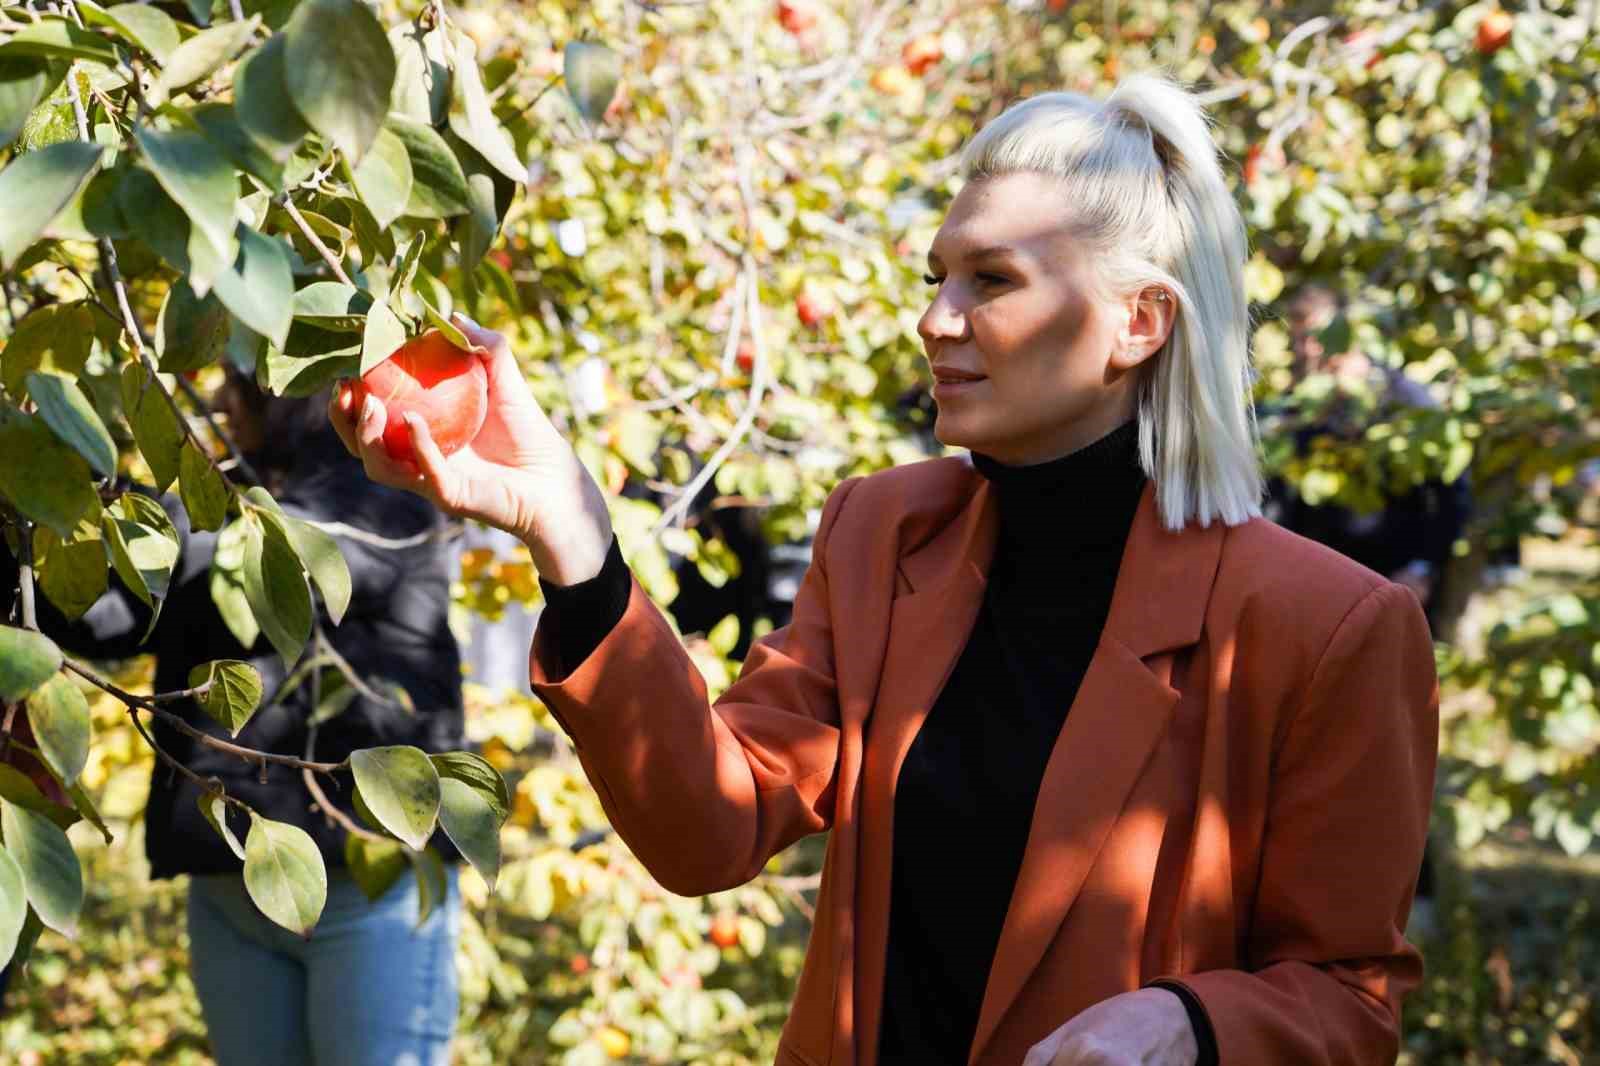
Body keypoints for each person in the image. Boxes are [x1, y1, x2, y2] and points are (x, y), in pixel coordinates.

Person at [333, 74, 1438, 1066]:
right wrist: (565, 533)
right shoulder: (882, 532)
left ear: (1138, 323)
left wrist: (1189, 1024)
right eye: (936, 275)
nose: (931, 319)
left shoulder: (1321, 625)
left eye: (988, 281)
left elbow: (1348, 996)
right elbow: (710, 827)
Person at [1, 368, 466, 1064]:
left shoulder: (385, 497)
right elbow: (104, 615)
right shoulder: (216, 504)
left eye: (238, 384)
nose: (218, 402)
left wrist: (131, 526)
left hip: (367, 891)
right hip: (230, 882)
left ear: (294, 395)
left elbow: (268, 563)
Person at [1263, 283, 1472, 628]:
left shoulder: (1404, 401)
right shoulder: (1299, 407)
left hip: (1396, 578)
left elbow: (1451, 493)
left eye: (1316, 337)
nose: (1307, 350)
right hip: (1320, 584)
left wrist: (1423, 568)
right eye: (1299, 339)